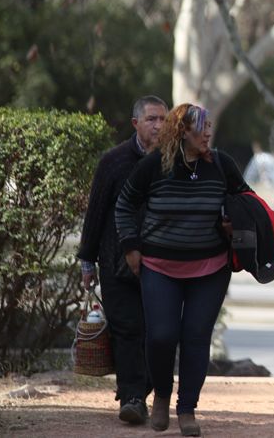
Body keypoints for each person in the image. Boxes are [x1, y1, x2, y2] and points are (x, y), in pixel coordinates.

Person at [116, 103, 248, 437]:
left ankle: (187, 407)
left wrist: (236, 225)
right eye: (200, 127)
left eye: (209, 126)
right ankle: (160, 395)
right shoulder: (153, 166)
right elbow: (125, 205)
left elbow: (245, 200)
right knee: (161, 336)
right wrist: (131, 247)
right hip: (159, 266)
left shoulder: (221, 164)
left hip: (210, 267)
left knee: (196, 337)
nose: (207, 133)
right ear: (181, 131)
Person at [76, 95, 167, 426]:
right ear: (136, 124)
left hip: (161, 266)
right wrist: (87, 263)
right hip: (115, 262)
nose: (158, 125)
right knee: (127, 329)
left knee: (157, 331)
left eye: (163, 120)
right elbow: (96, 214)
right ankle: (131, 397)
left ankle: (146, 390)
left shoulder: (173, 163)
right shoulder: (113, 161)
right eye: (152, 119)